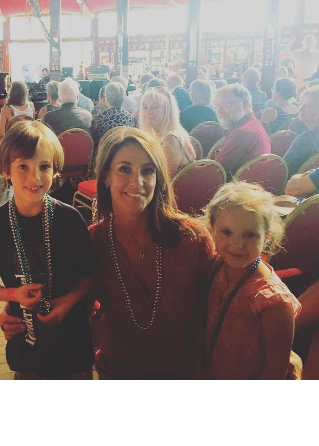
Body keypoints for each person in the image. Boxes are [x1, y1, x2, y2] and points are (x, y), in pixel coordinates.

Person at [0, 121, 96, 380]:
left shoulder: (70, 218)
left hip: (73, 342)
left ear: (56, 169)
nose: (34, 177)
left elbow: (89, 273)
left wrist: (67, 302)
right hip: (26, 341)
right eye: (23, 166)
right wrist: (13, 294)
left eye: (44, 166)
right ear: (6, 170)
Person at [89, 128, 216, 379]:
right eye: (125, 169)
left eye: (148, 171)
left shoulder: (192, 239)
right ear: (106, 176)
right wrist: (16, 312)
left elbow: (221, 303)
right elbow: (73, 302)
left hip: (185, 371)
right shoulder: (94, 241)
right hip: (119, 370)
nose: (137, 182)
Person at [195, 183, 300, 380]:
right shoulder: (214, 266)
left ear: (266, 237)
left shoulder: (272, 301)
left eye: (250, 234)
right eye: (226, 232)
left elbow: (275, 370)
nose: (237, 245)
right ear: (212, 229)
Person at [213, 85, 271, 178]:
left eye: (226, 104)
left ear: (245, 103)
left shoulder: (241, 133)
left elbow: (216, 173)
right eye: (216, 105)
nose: (219, 111)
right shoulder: (254, 124)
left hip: (236, 190)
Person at [139, 87, 196, 178]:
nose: (148, 111)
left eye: (155, 106)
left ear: (168, 111)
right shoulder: (155, 135)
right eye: (145, 107)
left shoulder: (171, 139)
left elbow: (163, 181)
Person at [0, 82, 35, 160]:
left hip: (12, 141)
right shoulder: (31, 105)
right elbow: (33, 124)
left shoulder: (6, 109)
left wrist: (5, 148)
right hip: (28, 139)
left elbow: (1, 134)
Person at [284, 87, 319, 178]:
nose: (300, 109)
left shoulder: (306, 140)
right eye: (301, 104)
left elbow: (283, 171)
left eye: (308, 106)